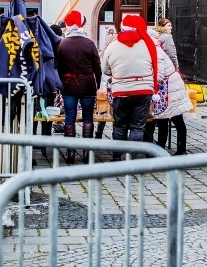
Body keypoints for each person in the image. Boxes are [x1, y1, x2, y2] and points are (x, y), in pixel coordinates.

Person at [101, 14, 158, 159]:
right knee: (137, 127)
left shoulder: (113, 45)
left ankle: (116, 157)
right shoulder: (148, 43)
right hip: (143, 90)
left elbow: (105, 69)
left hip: (121, 91)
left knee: (119, 125)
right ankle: (132, 158)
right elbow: (156, 65)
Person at [55, 10, 101, 163]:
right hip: (87, 84)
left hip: (68, 86)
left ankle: (70, 152)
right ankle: (87, 152)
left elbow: (58, 66)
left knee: (69, 117)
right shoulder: (89, 43)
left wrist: (62, 82)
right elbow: (97, 66)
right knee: (88, 116)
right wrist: (98, 83)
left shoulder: (62, 43)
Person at [149, 34, 192, 155]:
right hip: (168, 87)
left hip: (169, 88)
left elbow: (159, 73)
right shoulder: (155, 49)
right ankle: (166, 148)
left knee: (175, 119)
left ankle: (179, 149)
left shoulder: (155, 51)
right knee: (165, 119)